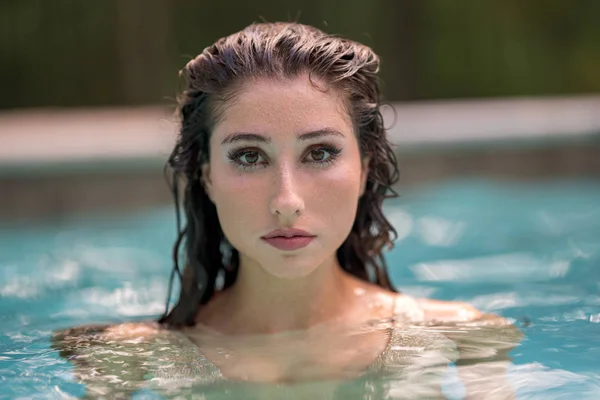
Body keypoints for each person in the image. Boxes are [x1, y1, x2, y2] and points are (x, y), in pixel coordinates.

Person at [54, 22, 522, 399]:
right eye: (249, 156)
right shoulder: (126, 356)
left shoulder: (464, 337)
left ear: (365, 168)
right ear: (207, 176)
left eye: (319, 153)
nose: (286, 201)